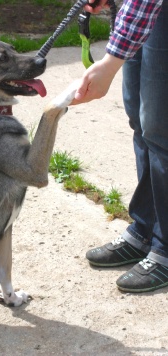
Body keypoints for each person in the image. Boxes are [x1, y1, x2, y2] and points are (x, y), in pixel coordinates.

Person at [71, 0, 168, 293]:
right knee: (141, 122)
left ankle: (165, 247)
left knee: (160, 128)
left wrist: (111, 61)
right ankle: (145, 229)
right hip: (141, 8)